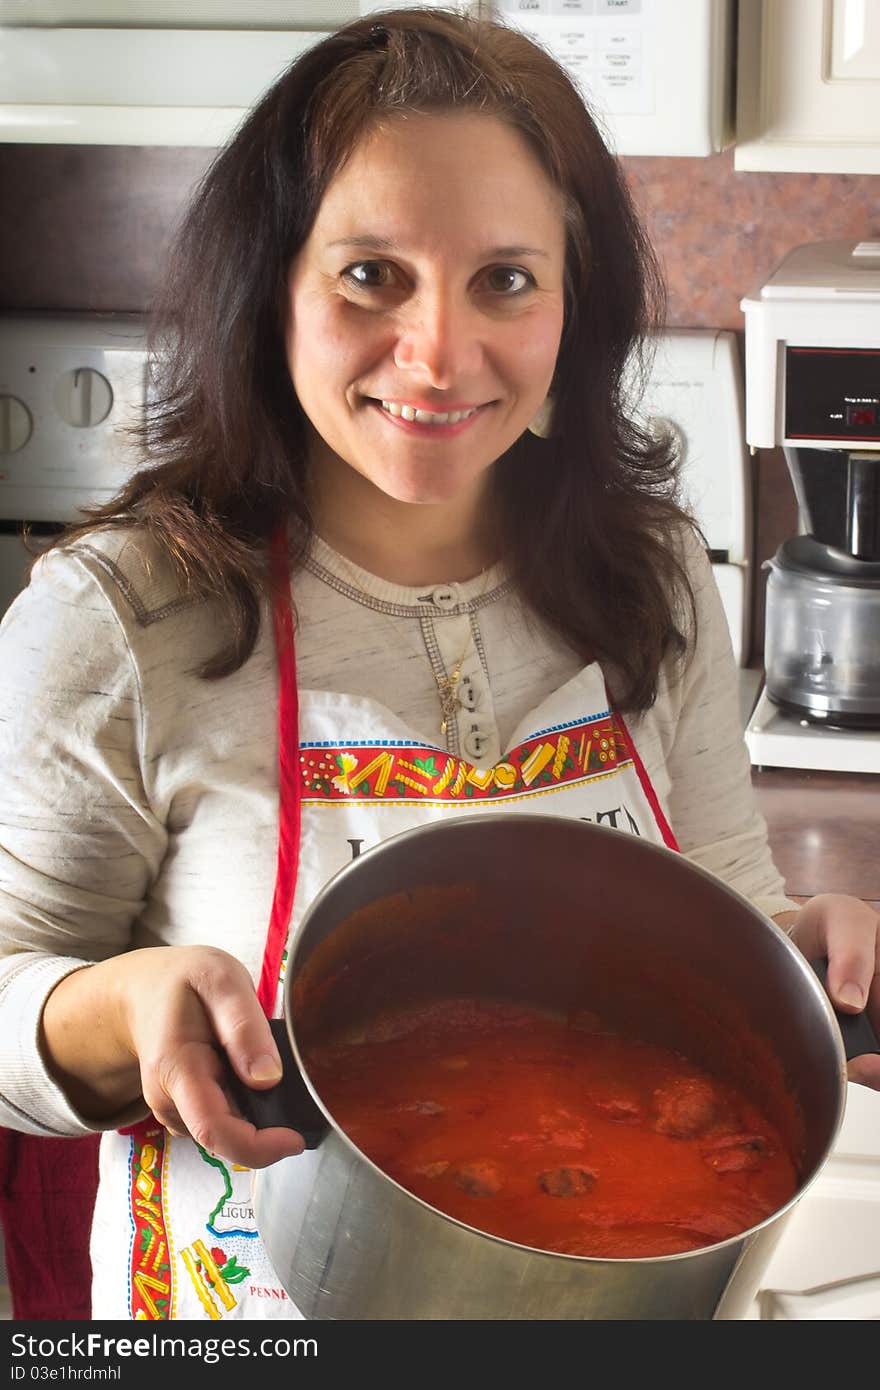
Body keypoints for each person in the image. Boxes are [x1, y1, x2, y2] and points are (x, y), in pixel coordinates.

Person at [0, 7, 877, 1323]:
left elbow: (725, 912)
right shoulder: (120, 621)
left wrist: (807, 961)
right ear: (273, 283)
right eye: (371, 275)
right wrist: (121, 1006)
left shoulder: (654, 581)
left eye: (505, 280)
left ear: (572, 305)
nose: (438, 352)